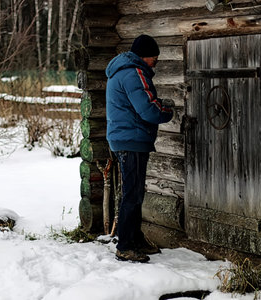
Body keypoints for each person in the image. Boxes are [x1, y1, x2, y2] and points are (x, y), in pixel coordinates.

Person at [105, 34, 174, 262]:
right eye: (155, 56)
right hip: (131, 139)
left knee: (134, 193)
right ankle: (125, 245)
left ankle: (134, 238)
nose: (156, 61)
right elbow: (148, 109)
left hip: (126, 139)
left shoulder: (122, 71)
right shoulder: (134, 73)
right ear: (146, 55)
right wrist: (167, 111)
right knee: (132, 195)